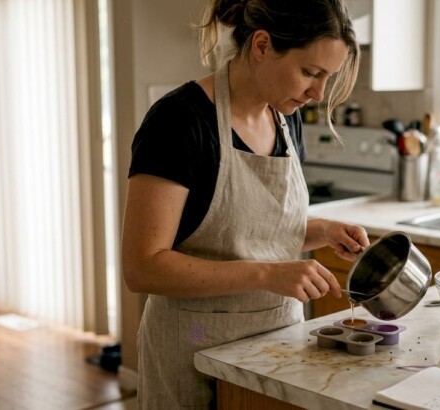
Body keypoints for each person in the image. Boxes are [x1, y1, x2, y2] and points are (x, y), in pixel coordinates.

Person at [120, 0, 367, 408]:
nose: (318, 93)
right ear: (262, 45)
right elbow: (142, 267)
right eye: (310, 72)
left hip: (277, 346)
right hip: (194, 343)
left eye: (328, 78)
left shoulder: (287, 121)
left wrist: (319, 230)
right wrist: (266, 274)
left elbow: (248, 230)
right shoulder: (179, 122)